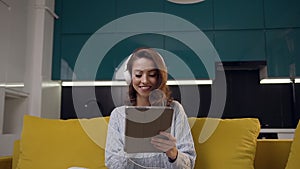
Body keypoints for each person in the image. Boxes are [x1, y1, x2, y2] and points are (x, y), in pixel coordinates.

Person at [105, 48, 196, 169]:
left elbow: (189, 164)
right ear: (129, 77)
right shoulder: (118, 115)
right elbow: (111, 162)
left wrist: (173, 153)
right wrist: (132, 149)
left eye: (152, 75)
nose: (144, 80)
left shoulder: (175, 110)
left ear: (159, 77)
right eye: (138, 74)